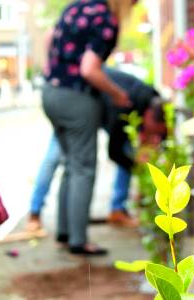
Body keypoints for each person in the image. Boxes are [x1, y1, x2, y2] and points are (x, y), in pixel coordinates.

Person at [42, 0, 135, 256]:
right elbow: (89, 69)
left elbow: (49, 36)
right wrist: (118, 94)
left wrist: (49, 70)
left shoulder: (75, 7)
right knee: (83, 167)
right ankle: (78, 239)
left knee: (70, 163)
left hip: (51, 92)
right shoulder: (106, 18)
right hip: (77, 97)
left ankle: (65, 231)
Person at [26, 67, 166, 230]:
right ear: (149, 116)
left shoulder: (152, 101)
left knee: (126, 153)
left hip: (93, 107)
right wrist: (136, 166)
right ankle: (34, 212)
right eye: (153, 133)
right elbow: (113, 152)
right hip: (77, 107)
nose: (153, 138)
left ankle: (118, 209)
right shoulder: (126, 103)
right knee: (57, 157)